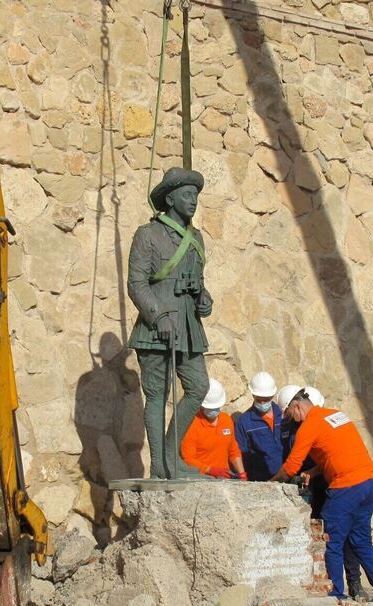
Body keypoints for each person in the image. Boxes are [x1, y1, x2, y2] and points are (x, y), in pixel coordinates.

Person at [126, 167, 213, 479]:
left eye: (196, 196)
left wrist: (204, 299)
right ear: (171, 198)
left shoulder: (197, 238)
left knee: (198, 387)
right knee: (157, 395)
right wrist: (158, 315)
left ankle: (172, 456)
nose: (193, 202)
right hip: (155, 331)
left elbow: (198, 283)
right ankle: (160, 466)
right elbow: (136, 283)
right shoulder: (148, 235)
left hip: (189, 329)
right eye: (187, 195)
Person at [273, 388, 373, 605]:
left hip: (346, 488)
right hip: (368, 483)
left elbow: (291, 466)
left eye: (288, 414)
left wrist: (272, 483)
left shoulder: (310, 425)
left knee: (331, 540)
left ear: (297, 406)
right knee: (361, 540)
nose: (290, 419)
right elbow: (337, 454)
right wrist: (312, 472)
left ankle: (335, 594)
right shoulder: (335, 415)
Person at [181, 379, 247, 480]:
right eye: (210, 408)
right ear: (202, 405)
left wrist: (242, 474)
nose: (214, 411)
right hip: (201, 479)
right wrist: (210, 470)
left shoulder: (226, 420)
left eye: (216, 407)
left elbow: (233, 450)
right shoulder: (192, 424)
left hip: (225, 480)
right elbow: (187, 459)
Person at [234, 371, 284, 481]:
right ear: (252, 395)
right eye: (258, 399)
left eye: (266, 400)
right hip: (261, 481)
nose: (262, 403)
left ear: (272, 395)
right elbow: (240, 453)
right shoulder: (244, 422)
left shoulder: (284, 416)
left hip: (287, 476)